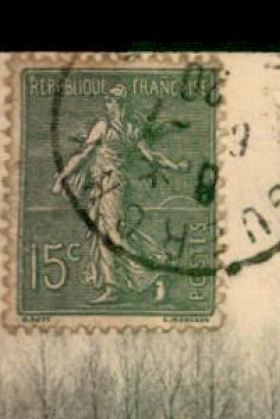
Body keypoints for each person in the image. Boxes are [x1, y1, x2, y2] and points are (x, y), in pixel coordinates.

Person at [50, 83, 187, 304]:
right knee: (105, 234)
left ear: (119, 104)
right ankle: (113, 286)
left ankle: (156, 273)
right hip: (103, 185)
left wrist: (61, 176)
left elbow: (83, 155)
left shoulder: (106, 127)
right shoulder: (129, 129)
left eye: (110, 101)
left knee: (112, 234)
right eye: (107, 100)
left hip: (112, 185)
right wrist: (174, 166)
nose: (107, 104)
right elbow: (152, 157)